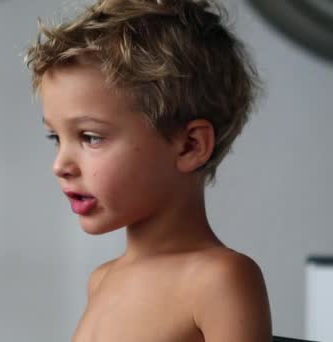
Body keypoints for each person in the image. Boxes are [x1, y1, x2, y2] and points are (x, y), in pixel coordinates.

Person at [25, 0, 271, 341]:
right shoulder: (101, 280)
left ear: (189, 146)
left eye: (91, 137)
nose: (60, 166)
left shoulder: (220, 280)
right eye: (56, 137)